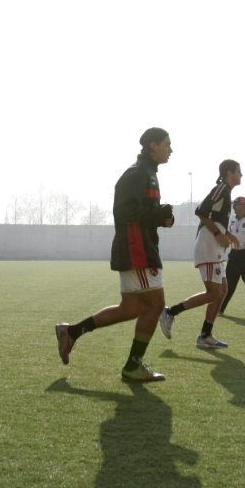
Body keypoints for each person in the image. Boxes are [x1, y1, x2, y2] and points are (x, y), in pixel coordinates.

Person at [54, 128, 175, 382]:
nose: (170, 149)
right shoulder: (137, 172)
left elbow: (139, 212)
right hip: (137, 250)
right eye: (167, 144)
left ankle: (72, 331)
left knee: (130, 308)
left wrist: (161, 218)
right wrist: (155, 215)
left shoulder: (148, 173)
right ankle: (133, 365)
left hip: (138, 247)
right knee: (154, 305)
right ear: (152, 145)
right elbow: (122, 211)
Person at [160, 160, 241, 348]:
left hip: (216, 250)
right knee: (214, 292)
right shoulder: (221, 188)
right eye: (238, 171)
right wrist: (218, 233)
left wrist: (227, 234)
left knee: (222, 291)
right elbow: (201, 211)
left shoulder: (226, 192)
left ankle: (205, 336)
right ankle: (170, 312)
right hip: (208, 248)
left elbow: (216, 219)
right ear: (229, 173)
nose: (241, 175)